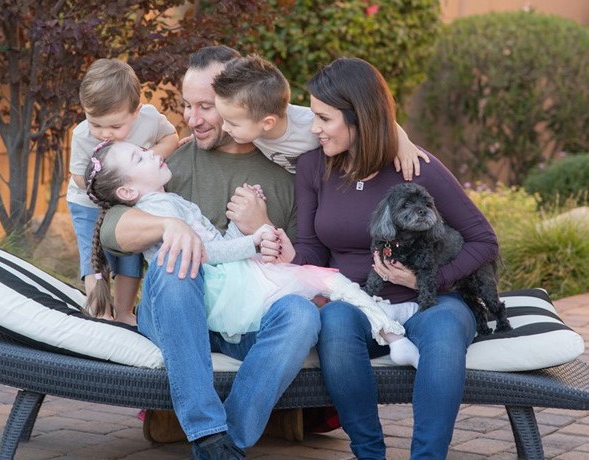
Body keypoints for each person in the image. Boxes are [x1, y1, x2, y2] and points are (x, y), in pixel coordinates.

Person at [263, 57, 498, 458]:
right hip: (358, 301)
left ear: (359, 118)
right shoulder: (312, 166)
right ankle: (369, 453)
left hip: (429, 299)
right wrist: (287, 255)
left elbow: (483, 241)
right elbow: (312, 250)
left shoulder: (414, 167)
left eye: (324, 118)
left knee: (444, 337)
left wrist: (434, 280)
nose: (314, 128)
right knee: (334, 325)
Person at [99, 46, 319, 458]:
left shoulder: (285, 174)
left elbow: (298, 265)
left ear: (237, 103)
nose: (192, 118)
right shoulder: (170, 164)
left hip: (246, 317)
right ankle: (204, 427)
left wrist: (262, 228)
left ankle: (222, 443)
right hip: (176, 312)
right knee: (175, 262)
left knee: (301, 315)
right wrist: (170, 226)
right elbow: (111, 228)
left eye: (206, 106)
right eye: (186, 104)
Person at [84, 141, 419, 367]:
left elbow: (212, 244)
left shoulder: (166, 202)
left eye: (144, 149)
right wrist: (254, 240)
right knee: (324, 282)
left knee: (320, 288)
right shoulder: (162, 207)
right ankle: (392, 323)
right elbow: (207, 254)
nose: (153, 153)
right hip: (229, 289)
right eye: (140, 157)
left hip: (228, 283)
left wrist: (237, 224)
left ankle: (389, 320)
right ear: (126, 190)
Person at [66, 58, 179, 325]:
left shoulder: (150, 119)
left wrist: (148, 159)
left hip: (131, 203)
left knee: (130, 254)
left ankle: (125, 312)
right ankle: (99, 312)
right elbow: (78, 175)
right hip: (88, 203)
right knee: (94, 257)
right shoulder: (82, 135)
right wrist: (112, 188)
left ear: (136, 112)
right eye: (96, 124)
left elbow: (171, 137)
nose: (104, 133)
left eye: (115, 126)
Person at [212, 54, 427, 176]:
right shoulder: (250, 123)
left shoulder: (309, 124)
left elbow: (372, 120)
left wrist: (404, 143)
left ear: (267, 123)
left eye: (231, 123)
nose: (225, 128)